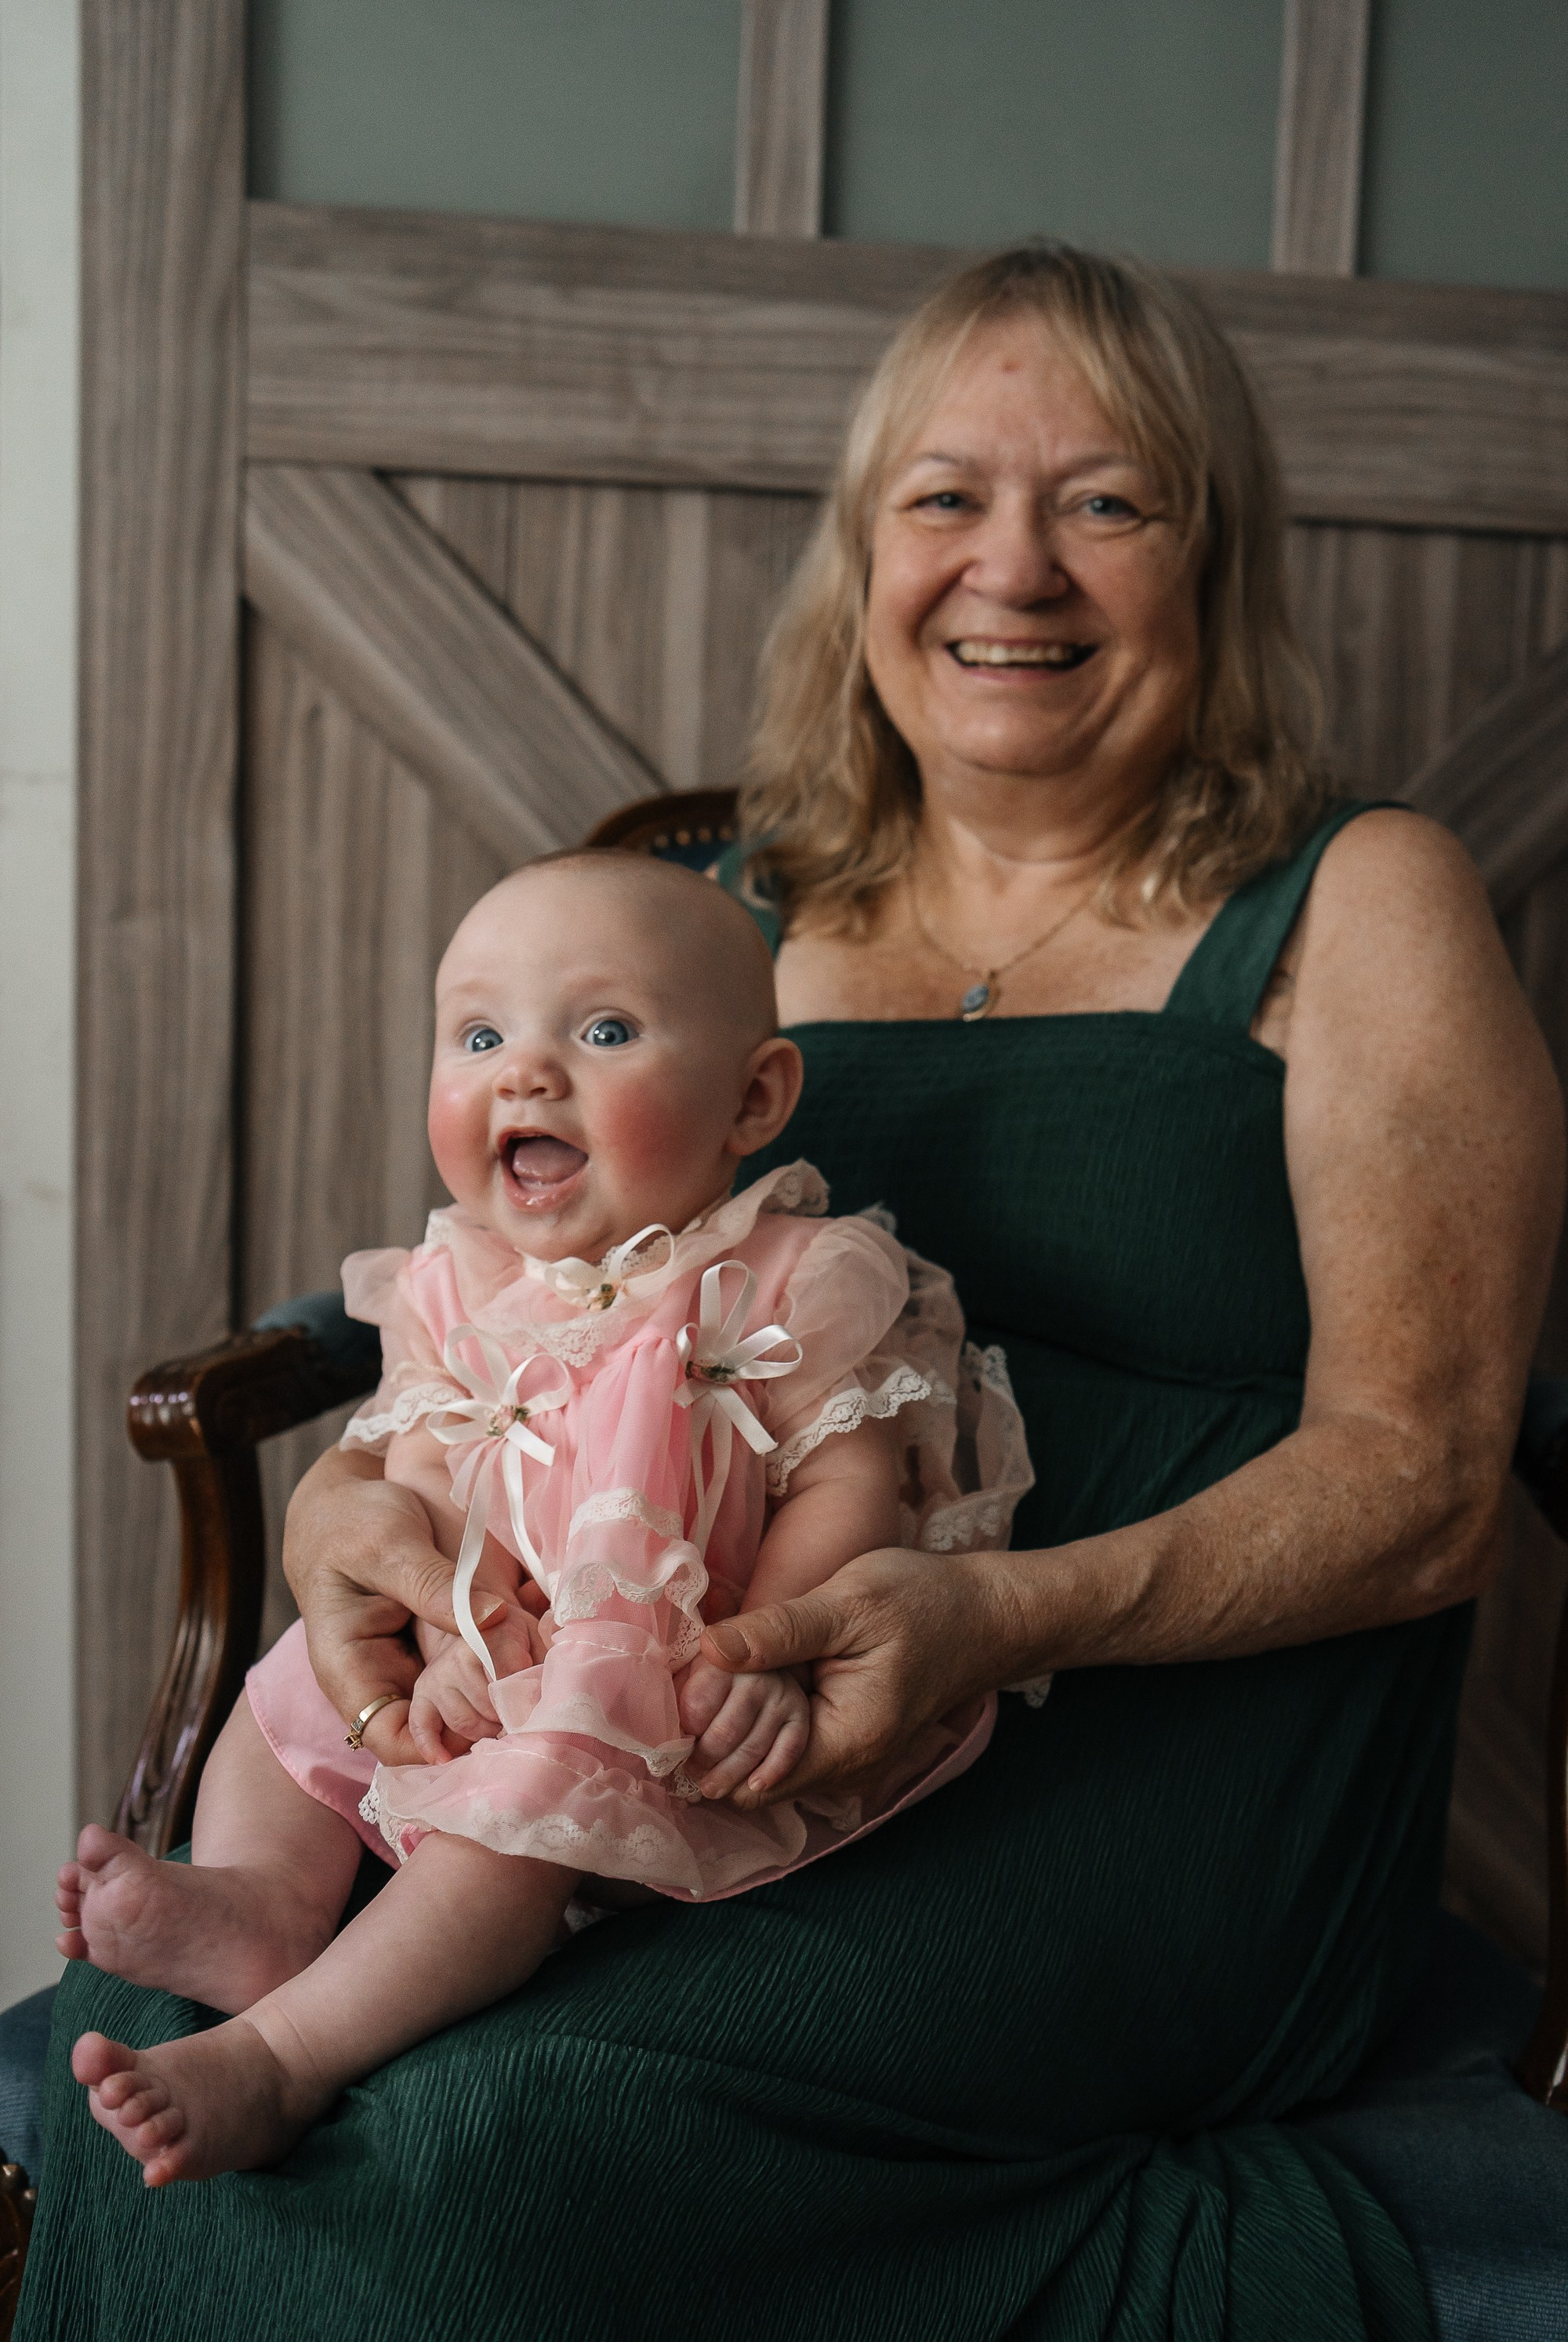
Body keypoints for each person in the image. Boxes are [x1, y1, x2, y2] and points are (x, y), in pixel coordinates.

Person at [19, 245, 1563, 2342]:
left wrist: (997, 1615)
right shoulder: (716, 920)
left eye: (1106, 501)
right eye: (945, 498)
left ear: (1214, 557)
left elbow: (1428, 1481)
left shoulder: (1358, 901)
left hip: (1157, 1772)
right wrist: (342, 1516)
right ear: (863, 555)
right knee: (182, 2029)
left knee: (484, 2147)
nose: (1011, 568)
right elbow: (502, 1317)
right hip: (684, 1706)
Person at [50, 853, 1028, 2188]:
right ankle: (261, 1899)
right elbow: (423, 1473)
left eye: (605, 1030)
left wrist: (774, 1647)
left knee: (512, 1833)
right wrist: (442, 1632)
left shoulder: (787, 1274)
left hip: (661, 1694)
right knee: (289, 1698)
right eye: (478, 1036)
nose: (525, 1073)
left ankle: (284, 2057)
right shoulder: (454, 1281)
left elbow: (845, 1484)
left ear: (753, 1099)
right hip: (483, 1640)